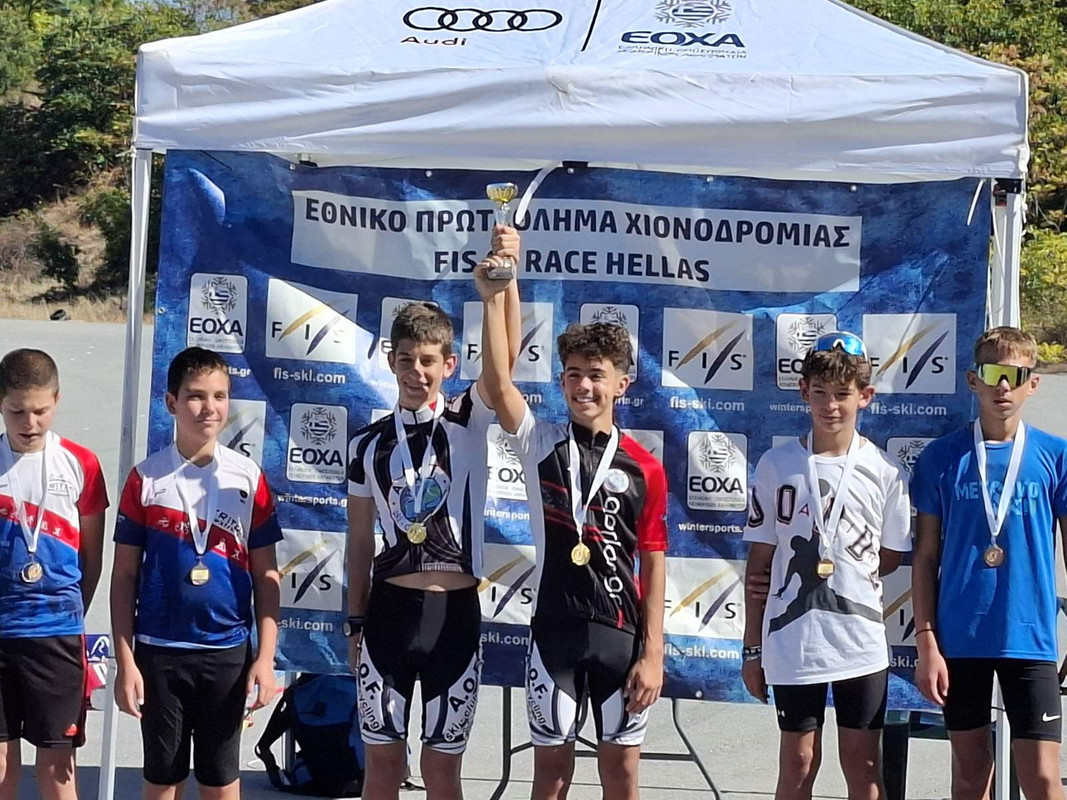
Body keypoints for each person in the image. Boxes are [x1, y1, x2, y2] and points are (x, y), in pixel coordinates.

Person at [475, 259, 668, 800]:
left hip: (621, 638)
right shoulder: (540, 442)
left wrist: (654, 653)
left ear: (621, 384)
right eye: (574, 374)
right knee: (552, 777)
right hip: (553, 635)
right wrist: (494, 297)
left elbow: (654, 562)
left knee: (621, 777)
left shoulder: (645, 467)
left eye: (596, 374)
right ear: (561, 380)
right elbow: (498, 383)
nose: (584, 385)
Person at [345, 225, 522, 800]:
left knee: (442, 770)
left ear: (448, 363)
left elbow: (503, 367)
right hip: (388, 615)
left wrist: (503, 286)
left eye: (427, 361)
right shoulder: (367, 445)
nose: (415, 372)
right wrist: (354, 622)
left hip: (455, 617)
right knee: (382, 767)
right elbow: (358, 543)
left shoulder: (469, 419)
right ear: (390, 362)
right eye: (406, 360)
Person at [741, 331, 911, 800]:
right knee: (797, 763)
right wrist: (752, 650)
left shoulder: (885, 470)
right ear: (803, 392)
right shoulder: (776, 464)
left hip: (859, 641)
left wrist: (845, 566)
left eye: (842, 394)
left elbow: (890, 556)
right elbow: (759, 567)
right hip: (793, 641)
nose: (830, 406)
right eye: (820, 393)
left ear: (865, 396)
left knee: (863, 764)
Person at [111, 347, 282, 800]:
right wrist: (126, 662)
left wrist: (265, 658)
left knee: (221, 782)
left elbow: (267, 575)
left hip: (226, 653)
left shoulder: (247, 477)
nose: (209, 407)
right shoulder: (146, 479)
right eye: (196, 396)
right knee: (162, 780)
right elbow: (124, 577)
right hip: (160, 652)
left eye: (219, 396)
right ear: (171, 402)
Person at [912, 326, 1067, 800]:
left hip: (1030, 637)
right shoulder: (940, 457)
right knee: (970, 773)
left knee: (1043, 778)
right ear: (972, 379)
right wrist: (926, 641)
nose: (1003, 385)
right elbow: (925, 557)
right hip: (960, 638)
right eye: (992, 372)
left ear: (1032, 384)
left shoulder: (1056, 456)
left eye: (1015, 375)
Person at [0, 348, 109, 800]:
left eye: (41, 410)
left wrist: (70, 613)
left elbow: (92, 557)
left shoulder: (81, 463)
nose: (30, 422)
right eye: (17, 411)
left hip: (56, 635)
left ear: (57, 400)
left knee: (57, 767)